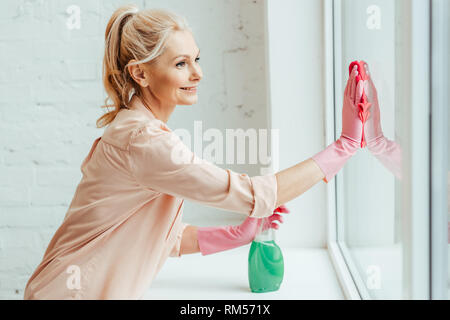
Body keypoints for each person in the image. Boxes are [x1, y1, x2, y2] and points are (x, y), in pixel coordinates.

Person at [23, 5, 371, 300]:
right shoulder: (144, 141)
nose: (198, 73)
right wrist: (343, 147)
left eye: (197, 59)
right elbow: (256, 195)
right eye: (181, 64)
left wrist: (239, 234)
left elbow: (167, 238)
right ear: (140, 73)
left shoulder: (139, 131)